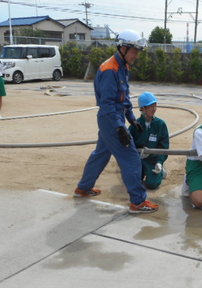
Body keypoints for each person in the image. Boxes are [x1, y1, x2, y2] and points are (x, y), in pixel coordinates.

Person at [74, 29, 159, 214]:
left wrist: (131, 118)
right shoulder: (109, 69)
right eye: (134, 51)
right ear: (123, 48)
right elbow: (107, 104)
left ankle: (83, 188)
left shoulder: (122, 67)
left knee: (101, 155)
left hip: (114, 118)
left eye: (137, 51)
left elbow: (124, 96)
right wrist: (120, 128)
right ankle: (138, 201)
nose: (136, 55)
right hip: (110, 118)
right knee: (131, 158)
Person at [129, 91, 169, 189]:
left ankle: (160, 172)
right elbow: (128, 145)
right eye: (150, 106)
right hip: (138, 160)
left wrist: (159, 162)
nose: (154, 109)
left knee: (152, 184)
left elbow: (164, 147)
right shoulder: (135, 125)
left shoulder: (160, 124)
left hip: (153, 161)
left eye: (155, 105)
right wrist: (137, 156)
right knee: (133, 181)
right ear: (142, 108)